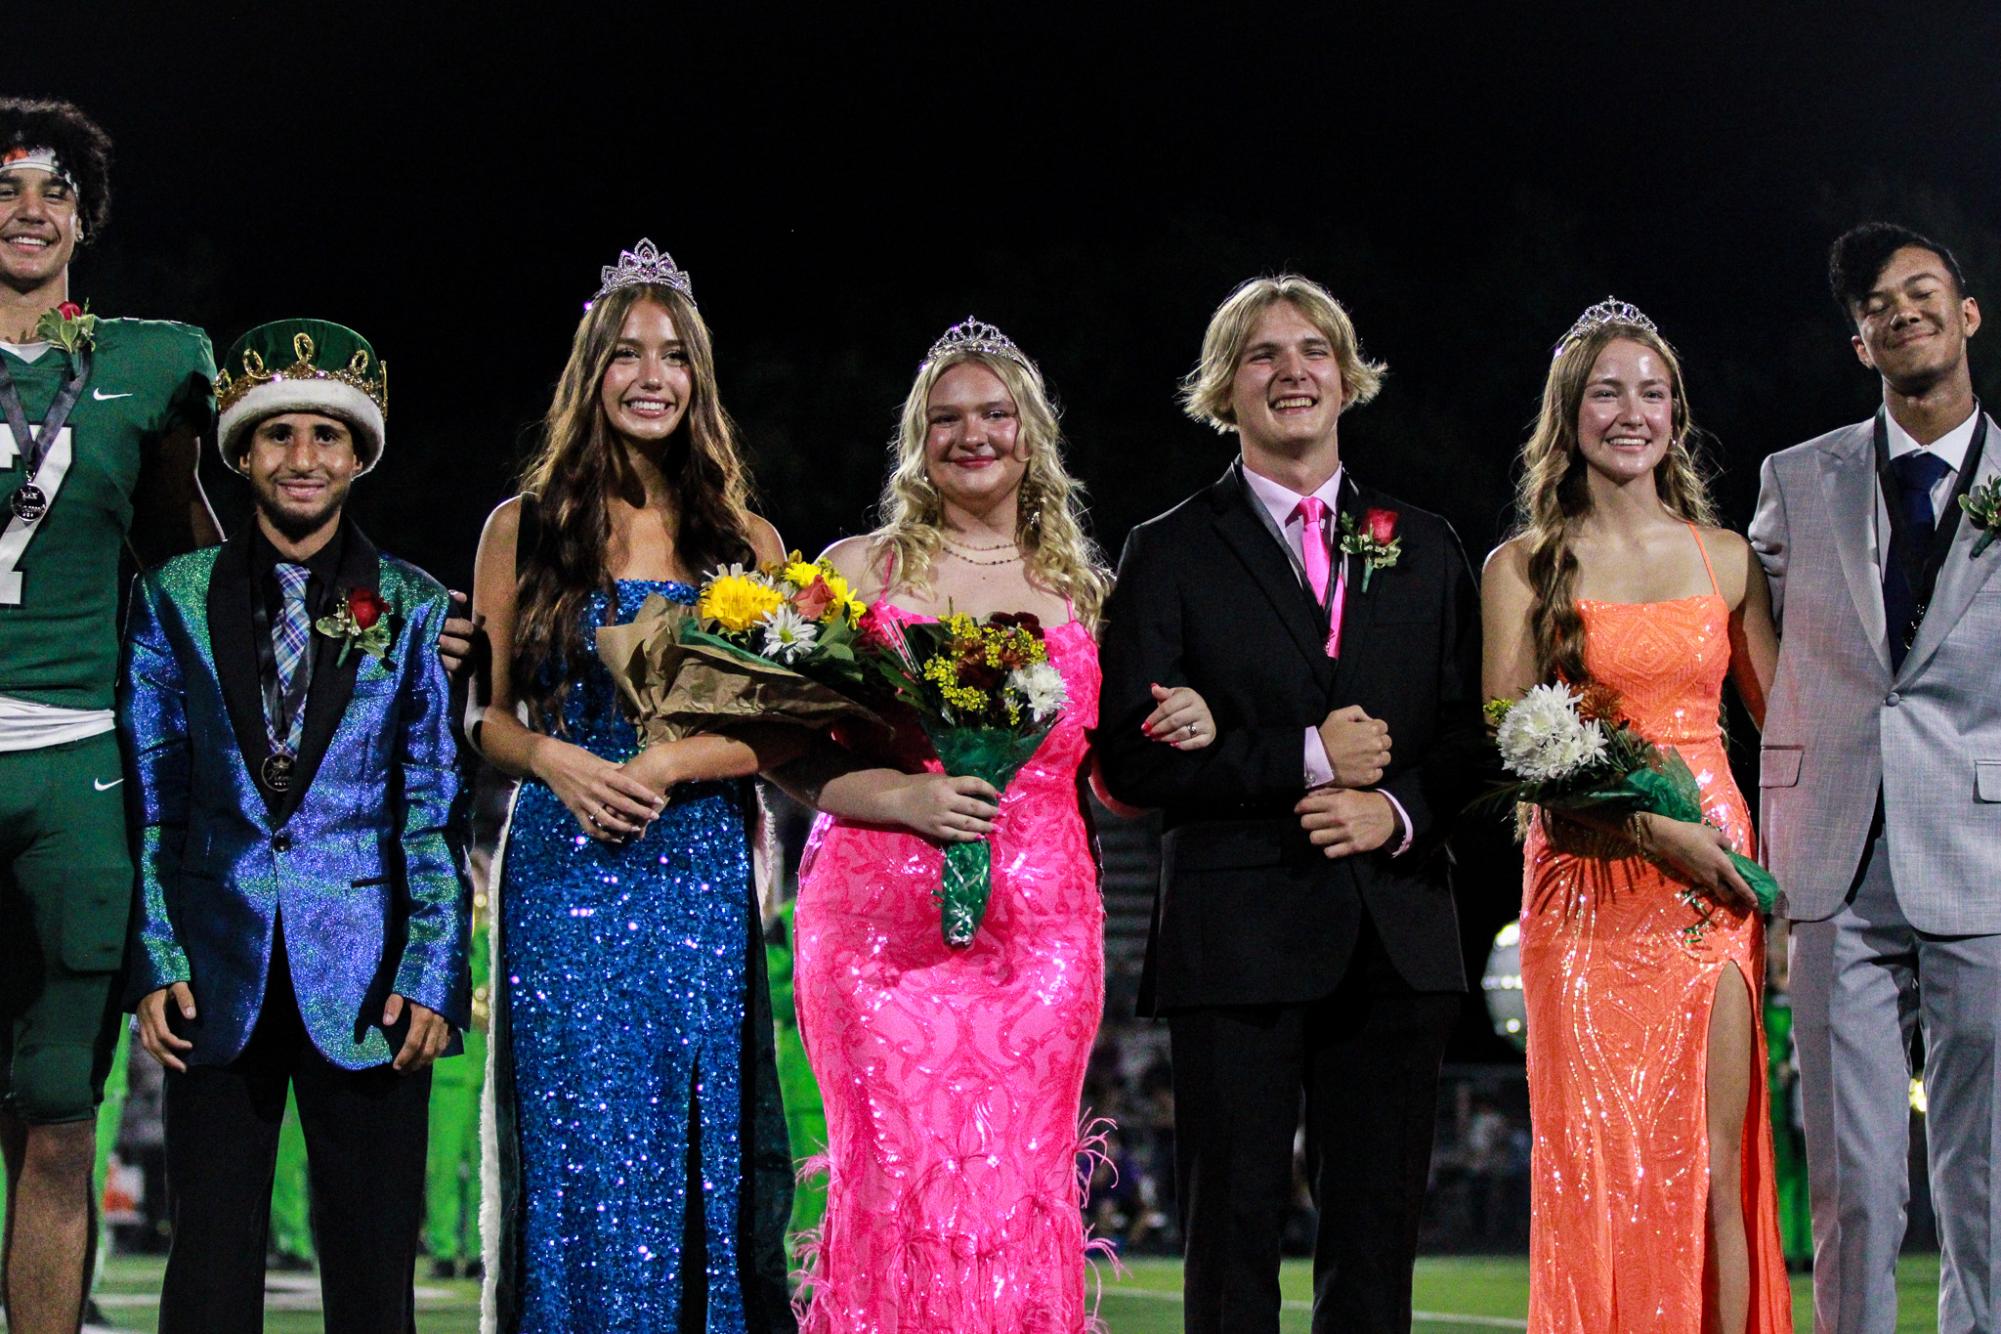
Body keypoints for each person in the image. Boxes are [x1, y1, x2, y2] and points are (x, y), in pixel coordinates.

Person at [781, 315, 1213, 1331]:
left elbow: (1109, 779)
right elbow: (777, 740)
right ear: (917, 442)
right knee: (890, 1175)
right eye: (946, 420)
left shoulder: (1085, 589)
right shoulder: (854, 569)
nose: (972, 436)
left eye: (994, 414)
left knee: (1015, 1186)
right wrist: (898, 795)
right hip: (875, 926)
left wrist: (1180, 726)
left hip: (1042, 933)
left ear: (1032, 432)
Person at [1096, 275, 1483, 1332]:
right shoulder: (1165, 548)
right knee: (1234, 1237)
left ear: (1349, 377)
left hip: (1396, 929)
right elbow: (1129, 759)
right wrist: (1306, 755)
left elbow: (1470, 737)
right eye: (1263, 354)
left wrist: (1393, 809)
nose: (1293, 369)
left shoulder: (1428, 541)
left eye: (1314, 349)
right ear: (1226, 388)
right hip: (1236, 938)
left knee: (1376, 1241)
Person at [469, 239, 796, 1332]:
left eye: (672, 356)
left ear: (698, 378)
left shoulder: (747, 541)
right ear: (590, 373)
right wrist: (556, 760)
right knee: (572, 1151)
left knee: (698, 1146)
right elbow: (485, 714)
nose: (649, 375)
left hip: (698, 869)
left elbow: (776, 726)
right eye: (625, 354)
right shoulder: (521, 528)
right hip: (563, 871)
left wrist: (663, 761)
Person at [122, 317, 470, 1332]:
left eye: (327, 433)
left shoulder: (407, 602)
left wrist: (430, 967)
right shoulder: (174, 598)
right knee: (210, 1269)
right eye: (277, 434)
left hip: (367, 978)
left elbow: (431, 799)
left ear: (360, 453)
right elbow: (156, 790)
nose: (302, 457)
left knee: (371, 1273)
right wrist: (155, 951)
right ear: (239, 451)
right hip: (214, 972)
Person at [1482, 298, 1790, 1331]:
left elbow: (1790, 734)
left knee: (1710, 1164)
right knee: (1595, 1162)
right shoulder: (1520, 568)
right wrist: (1652, 829)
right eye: (1608, 391)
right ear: (1569, 414)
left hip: (1714, 897)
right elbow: (1512, 740)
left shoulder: (1727, 557)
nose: (1632, 412)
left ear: (1676, 413)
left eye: (1652, 392)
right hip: (1585, 886)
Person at [1751, 223, 2001, 1332]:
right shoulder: (1798, 477)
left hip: (1984, 853)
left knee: (1984, 1176)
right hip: (1833, 861)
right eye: (1880, 305)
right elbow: (1731, 628)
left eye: (1922, 291)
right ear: (1861, 344)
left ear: (1966, 313)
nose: (1902, 311)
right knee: (1853, 1181)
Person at [0, 97, 219, 1334]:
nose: (31, 211)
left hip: (74, 757)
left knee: (57, 1114)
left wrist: (354, 616)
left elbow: (201, 557)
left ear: (84, 218)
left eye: (56, 193)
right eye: (6, 188)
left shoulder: (149, 359)